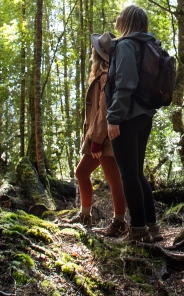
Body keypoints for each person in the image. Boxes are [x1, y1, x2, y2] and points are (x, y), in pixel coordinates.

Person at [106, 4, 162, 243]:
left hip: (127, 117)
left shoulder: (126, 44)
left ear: (127, 21)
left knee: (128, 174)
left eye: (119, 15)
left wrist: (114, 117)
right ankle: (152, 227)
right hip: (144, 115)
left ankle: (138, 231)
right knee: (137, 174)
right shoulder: (147, 44)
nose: (116, 18)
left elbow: (125, 84)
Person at [66, 32, 129, 238]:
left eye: (95, 49)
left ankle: (119, 222)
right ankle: (85, 216)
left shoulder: (105, 76)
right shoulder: (102, 74)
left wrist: (97, 140)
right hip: (97, 136)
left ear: (99, 54)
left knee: (114, 180)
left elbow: (104, 112)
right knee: (82, 173)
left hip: (104, 138)